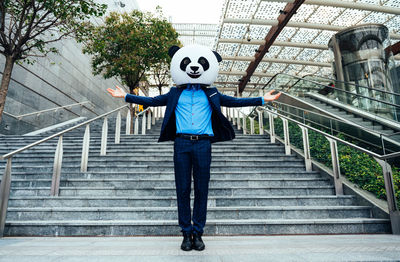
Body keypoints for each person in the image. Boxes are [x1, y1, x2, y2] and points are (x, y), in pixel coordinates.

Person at [107, 45, 281, 251]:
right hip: (181, 143)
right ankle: (185, 233)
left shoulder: (212, 93)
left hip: (203, 144)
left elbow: (235, 101)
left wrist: (262, 99)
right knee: (182, 189)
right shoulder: (174, 93)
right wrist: (126, 96)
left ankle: (198, 233)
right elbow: (152, 101)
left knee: (201, 189)